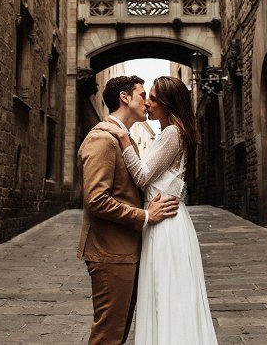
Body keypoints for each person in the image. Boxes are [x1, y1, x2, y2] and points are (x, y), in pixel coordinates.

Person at [97, 76, 218, 345]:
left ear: (167, 103)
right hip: (165, 220)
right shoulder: (171, 132)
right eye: (147, 96)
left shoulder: (172, 133)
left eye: (152, 98)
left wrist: (124, 138)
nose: (147, 103)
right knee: (167, 294)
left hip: (165, 224)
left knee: (167, 295)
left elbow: (141, 176)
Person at [77, 75, 180, 345]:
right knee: (108, 337)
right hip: (110, 253)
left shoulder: (124, 139)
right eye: (142, 95)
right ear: (125, 98)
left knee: (117, 335)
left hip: (124, 251)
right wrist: (146, 216)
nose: (147, 102)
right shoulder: (103, 139)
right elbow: (96, 199)